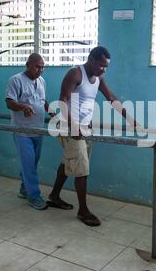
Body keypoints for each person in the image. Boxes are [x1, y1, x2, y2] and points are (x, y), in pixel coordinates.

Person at [47, 46, 138, 226]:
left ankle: (54, 196)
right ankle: (83, 211)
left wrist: (130, 118)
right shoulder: (75, 74)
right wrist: (73, 126)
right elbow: (63, 100)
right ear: (91, 59)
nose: (103, 69)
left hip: (85, 127)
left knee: (69, 162)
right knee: (82, 168)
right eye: (102, 65)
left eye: (106, 67)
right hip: (70, 127)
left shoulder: (98, 78)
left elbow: (111, 97)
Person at [5, 53, 55, 210]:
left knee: (32, 163)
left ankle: (24, 188)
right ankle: (33, 196)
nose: (40, 70)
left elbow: (42, 100)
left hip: (38, 130)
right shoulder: (16, 80)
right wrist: (23, 107)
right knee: (29, 165)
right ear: (28, 64)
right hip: (22, 131)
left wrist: (52, 113)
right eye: (37, 66)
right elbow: (9, 102)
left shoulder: (42, 81)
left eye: (42, 67)